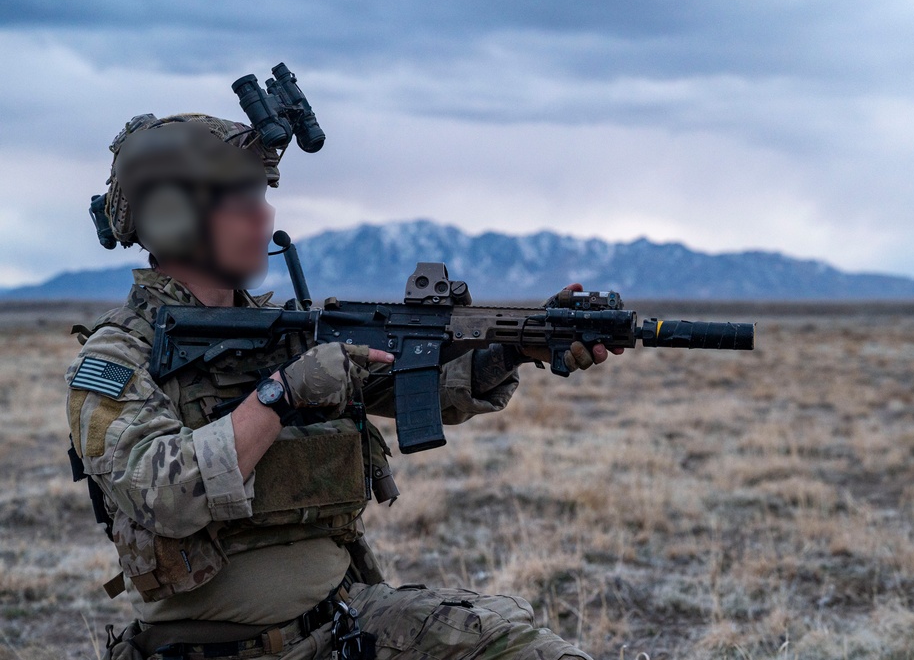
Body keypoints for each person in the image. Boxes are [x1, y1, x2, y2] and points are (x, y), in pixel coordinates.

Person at [67, 113, 619, 660]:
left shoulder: (285, 333)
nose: (265, 215)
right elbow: (166, 496)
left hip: (347, 626)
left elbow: (416, 383)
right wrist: (282, 395)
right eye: (241, 200)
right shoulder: (118, 356)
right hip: (209, 651)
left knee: (517, 643)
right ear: (173, 219)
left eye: (262, 195)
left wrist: (516, 344)